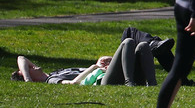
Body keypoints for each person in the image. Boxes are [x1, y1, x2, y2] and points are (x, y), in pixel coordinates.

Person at [13, 36, 167, 86]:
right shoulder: (52, 80)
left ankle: (152, 85)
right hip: (102, 81)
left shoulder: (55, 72)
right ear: (28, 75)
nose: (32, 66)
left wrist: (105, 63)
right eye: (29, 69)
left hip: (106, 74)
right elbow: (73, 84)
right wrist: (94, 67)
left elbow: (22, 58)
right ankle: (129, 83)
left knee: (142, 46)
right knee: (127, 41)